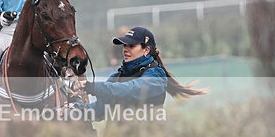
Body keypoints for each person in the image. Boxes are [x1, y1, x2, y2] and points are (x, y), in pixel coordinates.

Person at [75, 26, 206, 120]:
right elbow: (98, 111)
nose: (125, 49)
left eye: (131, 46)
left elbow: (132, 89)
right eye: (124, 46)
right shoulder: (116, 77)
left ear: (146, 50)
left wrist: (91, 87)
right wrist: (73, 110)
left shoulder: (156, 76)